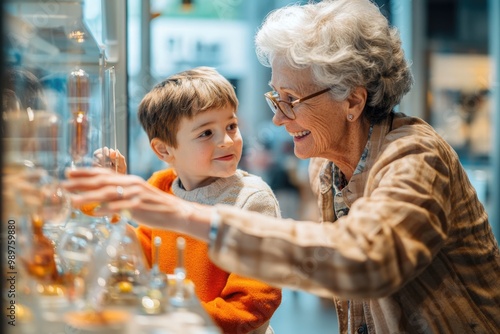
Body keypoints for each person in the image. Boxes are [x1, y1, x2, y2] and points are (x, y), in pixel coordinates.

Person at [64, 0, 500, 333]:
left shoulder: (415, 156)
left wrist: (185, 215)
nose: (276, 117)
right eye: (275, 98)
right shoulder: (327, 168)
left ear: (352, 100)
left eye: (290, 100)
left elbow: (366, 260)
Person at [113, 66, 282, 334]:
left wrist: (180, 320)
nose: (227, 140)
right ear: (164, 149)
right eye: (206, 133)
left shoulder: (252, 199)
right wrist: (113, 197)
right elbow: (143, 253)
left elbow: (254, 301)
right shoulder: (161, 186)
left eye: (231, 126)